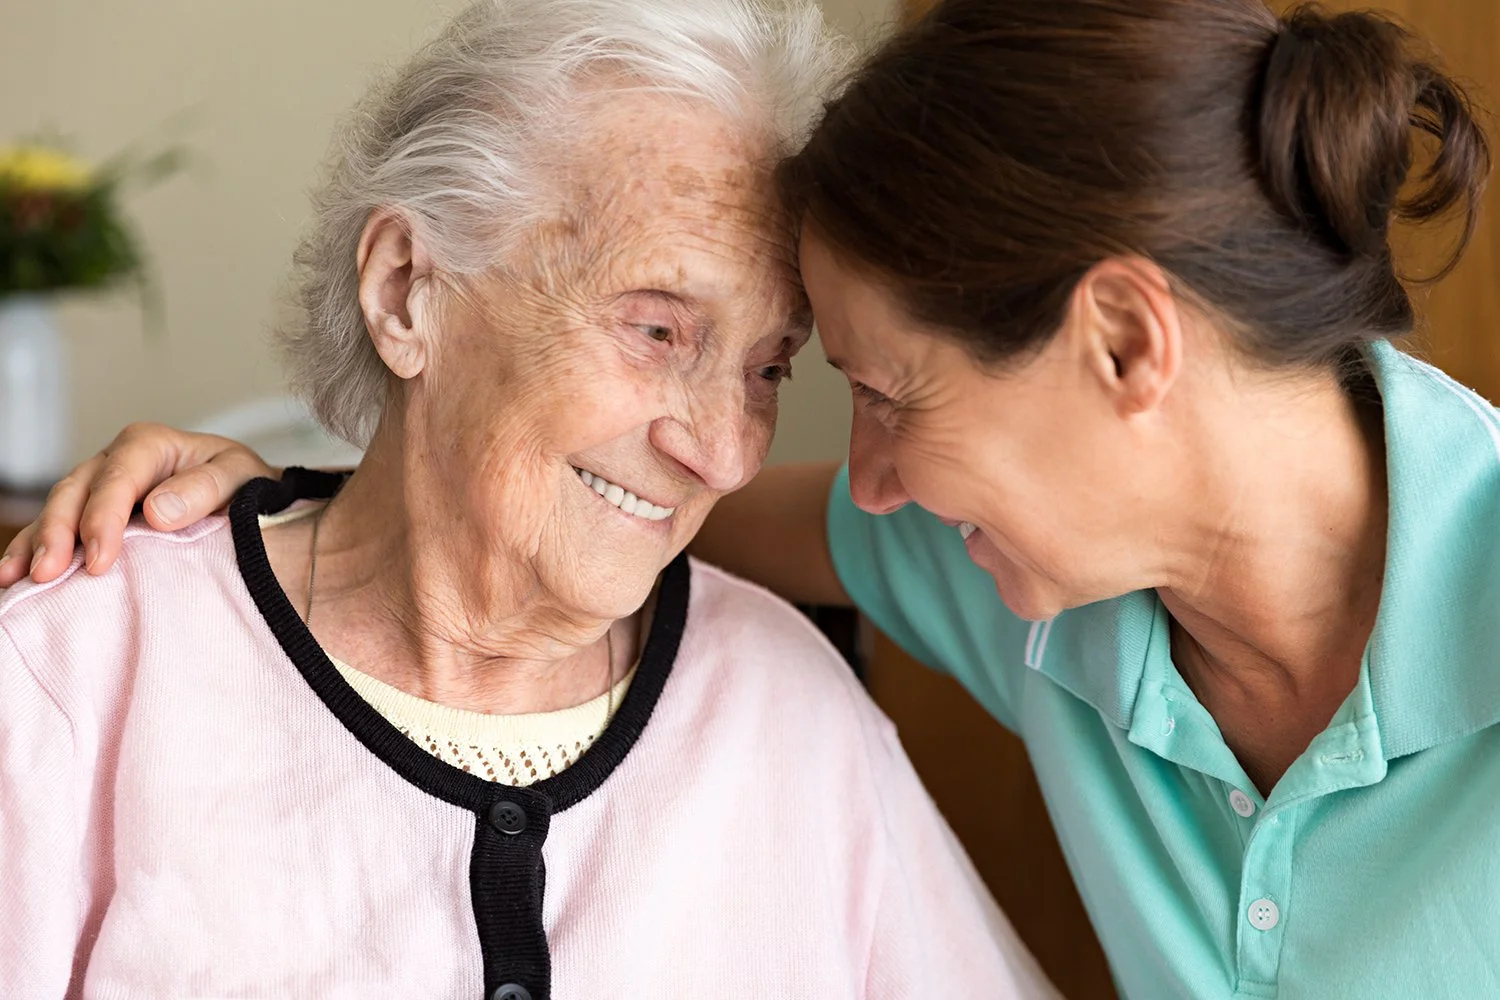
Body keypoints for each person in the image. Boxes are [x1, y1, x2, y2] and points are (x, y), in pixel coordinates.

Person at [9, 0, 1498, 997]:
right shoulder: (77, 672)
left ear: (1126, 349)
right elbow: (594, 512)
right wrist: (274, 517)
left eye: (794, 374)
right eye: (659, 327)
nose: (736, 456)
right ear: (411, 287)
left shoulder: (824, 680)